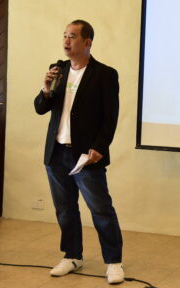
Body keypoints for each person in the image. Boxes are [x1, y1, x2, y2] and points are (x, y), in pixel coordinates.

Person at [34, 19, 124, 284]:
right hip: (56, 153)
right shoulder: (59, 70)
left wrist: (99, 147)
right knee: (65, 209)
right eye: (64, 35)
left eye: (72, 36)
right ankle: (72, 256)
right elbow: (40, 108)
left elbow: (110, 118)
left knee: (101, 210)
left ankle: (114, 262)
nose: (66, 40)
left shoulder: (105, 74)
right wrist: (46, 89)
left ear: (87, 42)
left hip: (86, 157)